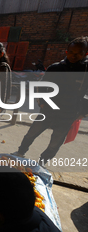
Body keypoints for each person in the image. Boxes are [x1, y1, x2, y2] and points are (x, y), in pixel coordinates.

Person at [12, 36, 88, 164]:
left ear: (85, 54)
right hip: (48, 110)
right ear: (66, 52)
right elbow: (41, 86)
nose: (74, 56)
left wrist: (83, 112)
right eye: (71, 52)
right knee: (31, 134)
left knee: (55, 142)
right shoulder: (55, 68)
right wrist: (40, 102)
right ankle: (20, 152)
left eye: (78, 53)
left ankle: (42, 162)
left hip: (68, 114)